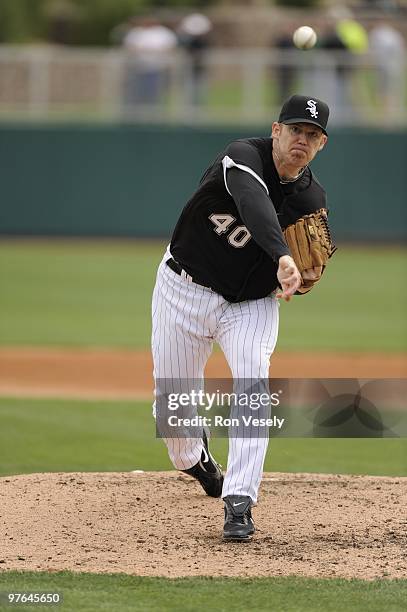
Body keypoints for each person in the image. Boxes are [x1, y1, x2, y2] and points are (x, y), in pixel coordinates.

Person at [151, 95, 329, 541]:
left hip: (249, 305)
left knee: (253, 386)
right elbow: (253, 203)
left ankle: (239, 502)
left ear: (321, 145)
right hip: (182, 288)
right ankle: (197, 461)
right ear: (275, 130)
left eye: (311, 135)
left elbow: (310, 263)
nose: (300, 141)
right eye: (294, 131)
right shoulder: (241, 156)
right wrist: (283, 255)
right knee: (172, 414)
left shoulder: (310, 197)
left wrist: (294, 276)